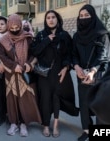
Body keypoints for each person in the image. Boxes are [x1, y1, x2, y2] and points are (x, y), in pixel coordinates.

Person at [31, 10, 79, 138]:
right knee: (45, 99)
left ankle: (56, 125)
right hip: (44, 74)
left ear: (57, 19)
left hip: (59, 72)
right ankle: (46, 125)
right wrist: (46, 40)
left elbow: (69, 54)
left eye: (53, 17)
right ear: (45, 20)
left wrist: (66, 68)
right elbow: (35, 51)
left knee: (56, 98)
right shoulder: (41, 35)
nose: (51, 20)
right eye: (48, 18)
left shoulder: (64, 35)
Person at [0, 14, 41, 137]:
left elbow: (34, 54)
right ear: (8, 26)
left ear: (21, 25)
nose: (15, 29)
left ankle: (23, 123)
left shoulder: (28, 38)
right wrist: (13, 66)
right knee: (12, 99)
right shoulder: (4, 40)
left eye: (17, 26)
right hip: (10, 75)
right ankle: (13, 123)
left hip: (24, 74)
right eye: (12, 27)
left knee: (25, 99)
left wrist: (28, 64)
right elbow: (2, 56)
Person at [72, 4, 110, 141]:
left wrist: (93, 71)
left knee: (99, 104)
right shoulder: (76, 36)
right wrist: (76, 67)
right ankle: (87, 131)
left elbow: (103, 55)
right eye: (81, 16)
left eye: (86, 15)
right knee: (84, 103)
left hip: (98, 74)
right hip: (81, 74)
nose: (83, 18)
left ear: (93, 16)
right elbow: (73, 54)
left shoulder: (102, 34)